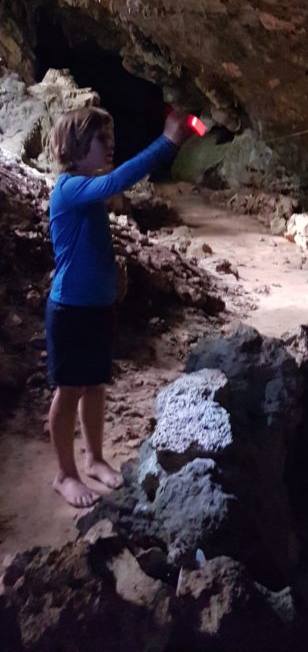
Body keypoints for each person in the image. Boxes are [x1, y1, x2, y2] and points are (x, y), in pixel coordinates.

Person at [46, 105, 190, 508]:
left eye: (111, 137)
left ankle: (93, 459)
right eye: (101, 139)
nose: (111, 145)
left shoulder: (85, 185)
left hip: (95, 307)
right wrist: (168, 141)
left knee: (94, 385)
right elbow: (117, 181)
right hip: (70, 310)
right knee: (68, 390)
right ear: (77, 146)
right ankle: (65, 474)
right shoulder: (70, 188)